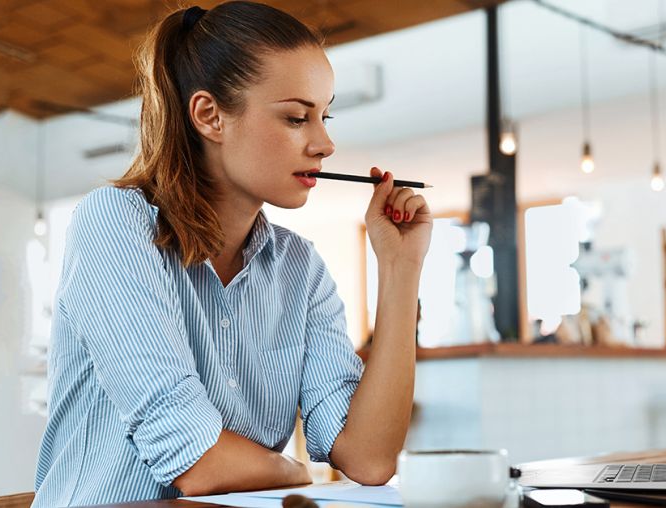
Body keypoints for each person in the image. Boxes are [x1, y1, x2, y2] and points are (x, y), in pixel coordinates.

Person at [32, 3, 432, 506]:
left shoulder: (300, 270)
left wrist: (400, 268)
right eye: (295, 117)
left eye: (323, 116)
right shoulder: (114, 223)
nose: (325, 143)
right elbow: (196, 461)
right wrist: (293, 470)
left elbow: (369, 459)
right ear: (210, 116)